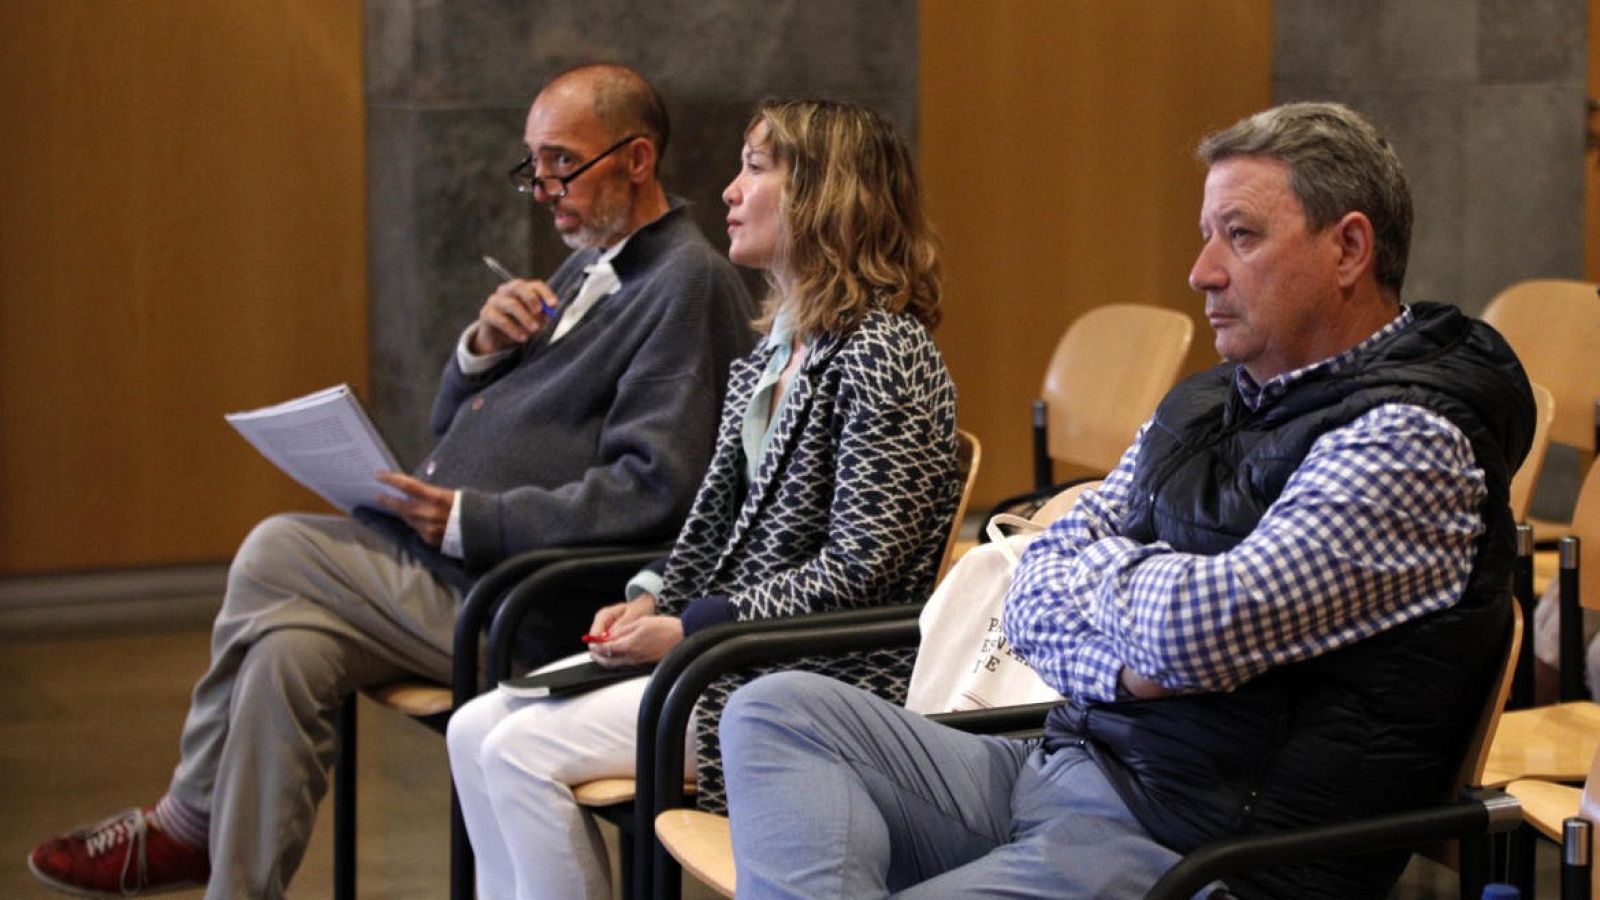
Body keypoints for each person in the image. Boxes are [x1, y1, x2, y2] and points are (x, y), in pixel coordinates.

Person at [719, 102, 1537, 899]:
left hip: (1195, 846)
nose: (1202, 270)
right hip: (1067, 765)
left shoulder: (1411, 440)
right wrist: (1130, 663)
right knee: (774, 712)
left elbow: (1191, 632)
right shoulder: (1210, 400)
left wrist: (1116, 599)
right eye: (1207, 234)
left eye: (1241, 235)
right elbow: (1031, 589)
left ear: (1349, 248)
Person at [27, 63, 755, 899]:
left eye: (562, 164)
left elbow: (655, 489)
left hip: (526, 604)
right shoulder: (592, 261)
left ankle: (186, 824)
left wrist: (471, 519)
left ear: (636, 159)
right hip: (461, 578)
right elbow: (455, 424)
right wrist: (480, 351)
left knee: (276, 547)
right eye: (533, 165)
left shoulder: (684, 280)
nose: (542, 190)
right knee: (284, 657)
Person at [446, 98, 961, 900]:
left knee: (518, 751)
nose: (728, 190)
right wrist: (651, 597)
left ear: (826, 195)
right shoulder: (775, 353)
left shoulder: (886, 353)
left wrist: (691, 628)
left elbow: (860, 571)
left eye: (756, 169)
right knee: (471, 726)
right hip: (728, 654)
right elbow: (713, 526)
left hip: (804, 678)